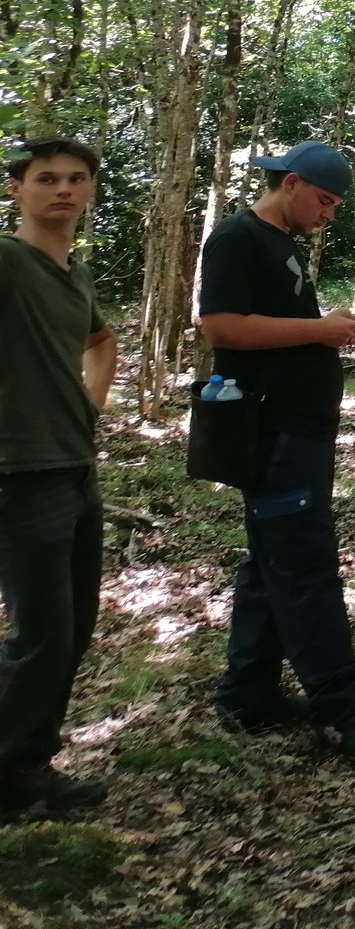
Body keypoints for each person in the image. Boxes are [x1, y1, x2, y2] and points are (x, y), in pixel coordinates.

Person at [197, 139, 355, 760]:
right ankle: (346, 711)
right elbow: (221, 325)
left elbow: (276, 328)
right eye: (322, 200)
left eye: (335, 205)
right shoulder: (237, 239)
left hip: (298, 428)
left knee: (271, 558)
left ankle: (247, 692)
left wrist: (321, 329)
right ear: (288, 184)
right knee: (304, 565)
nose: (327, 214)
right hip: (270, 429)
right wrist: (320, 330)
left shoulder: (282, 244)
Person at [0, 138, 117, 817]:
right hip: (20, 472)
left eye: (76, 179)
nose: (63, 190)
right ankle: (13, 778)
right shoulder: (9, 261)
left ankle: (31, 763)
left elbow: (100, 341)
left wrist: (87, 404)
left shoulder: (73, 274)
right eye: (46, 179)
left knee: (70, 631)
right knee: (39, 633)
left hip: (74, 466)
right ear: (17, 190)